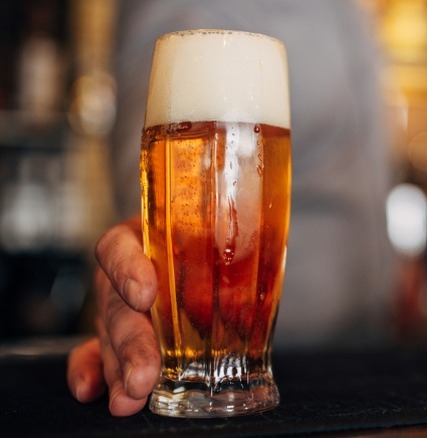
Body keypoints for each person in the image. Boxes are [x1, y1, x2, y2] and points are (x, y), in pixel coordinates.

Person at [67, 0, 397, 416]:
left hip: (372, 345)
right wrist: (147, 281)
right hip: (277, 372)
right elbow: (166, 175)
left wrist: (395, 266)